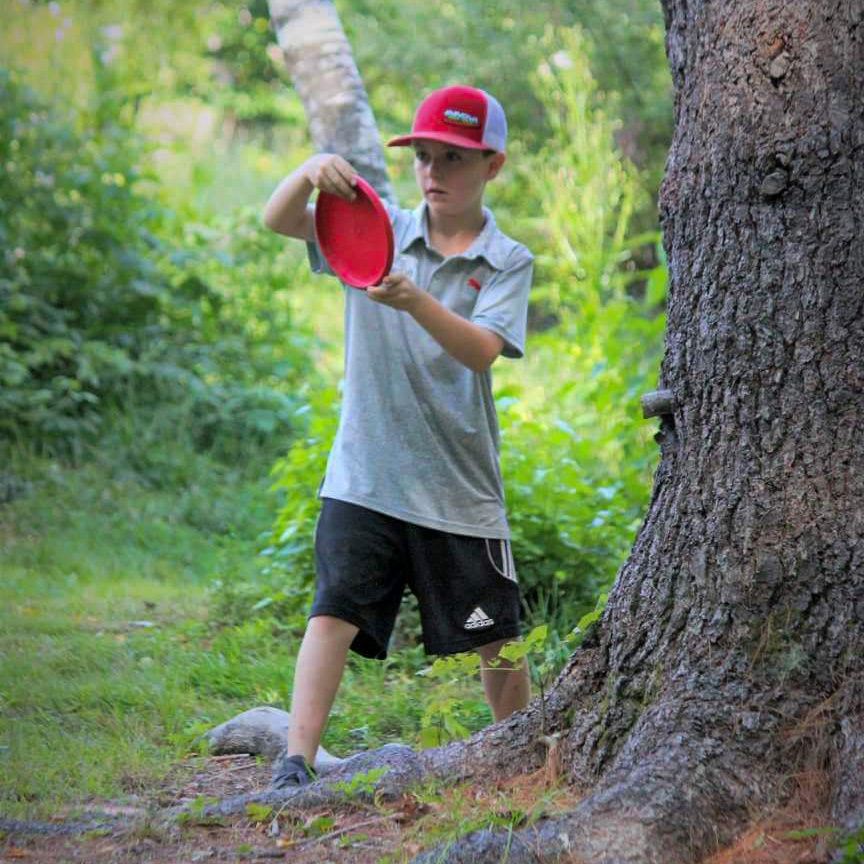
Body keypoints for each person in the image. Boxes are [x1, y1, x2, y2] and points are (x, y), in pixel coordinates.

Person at [261, 85, 535, 787]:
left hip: (459, 486)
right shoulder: (372, 228)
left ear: (493, 166)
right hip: (366, 472)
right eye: (423, 158)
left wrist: (414, 299)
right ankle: (294, 761)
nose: (434, 173)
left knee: (497, 637)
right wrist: (310, 170)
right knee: (333, 610)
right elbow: (279, 218)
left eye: (454, 159)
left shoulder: (506, 260)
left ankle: (524, 756)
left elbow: (479, 350)